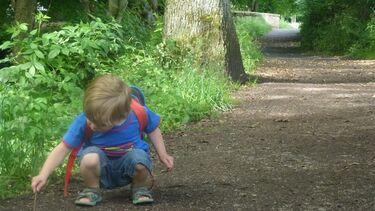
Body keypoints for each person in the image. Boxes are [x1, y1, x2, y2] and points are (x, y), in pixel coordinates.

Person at [31, 74, 174, 206]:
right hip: (100, 170)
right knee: (89, 158)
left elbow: (153, 129)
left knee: (140, 158)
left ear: (121, 116)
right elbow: (63, 148)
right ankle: (92, 190)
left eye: (100, 124)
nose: (92, 125)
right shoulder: (85, 121)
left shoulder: (138, 113)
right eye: (90, 118)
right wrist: (43, 174)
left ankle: (139, 188)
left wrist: (163, 154)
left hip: (129, 167)